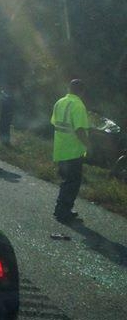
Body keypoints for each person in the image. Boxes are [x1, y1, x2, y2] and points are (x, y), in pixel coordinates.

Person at [51, 79, 90, 224]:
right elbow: (79, 129)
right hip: (73, 151)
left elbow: (55, 123)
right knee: (72, 182)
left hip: (60, 149)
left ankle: (62, 208)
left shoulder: (59, 102)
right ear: (82, 91)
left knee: (66, 180)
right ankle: (63, 211)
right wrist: (89, 145)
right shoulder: (78, 105)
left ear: (69, 88)